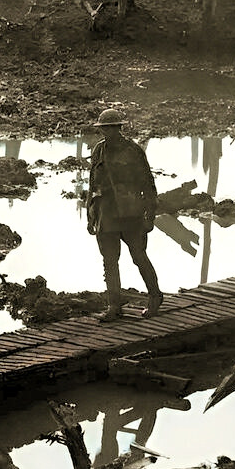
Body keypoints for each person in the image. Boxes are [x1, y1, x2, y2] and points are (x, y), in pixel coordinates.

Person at [85, 108, 162, 321]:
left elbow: (148, 184)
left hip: (131, 214)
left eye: (111, 128)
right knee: (109, 261)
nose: (107, 132)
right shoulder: (98, 150)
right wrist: (90, 214)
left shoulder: (133, 151)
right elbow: (93, 184)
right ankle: (114, 305)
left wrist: (150, 215)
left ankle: (155, 297)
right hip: (105, 214)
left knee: (139, 257)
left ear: (119, 128)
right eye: (104, 129)